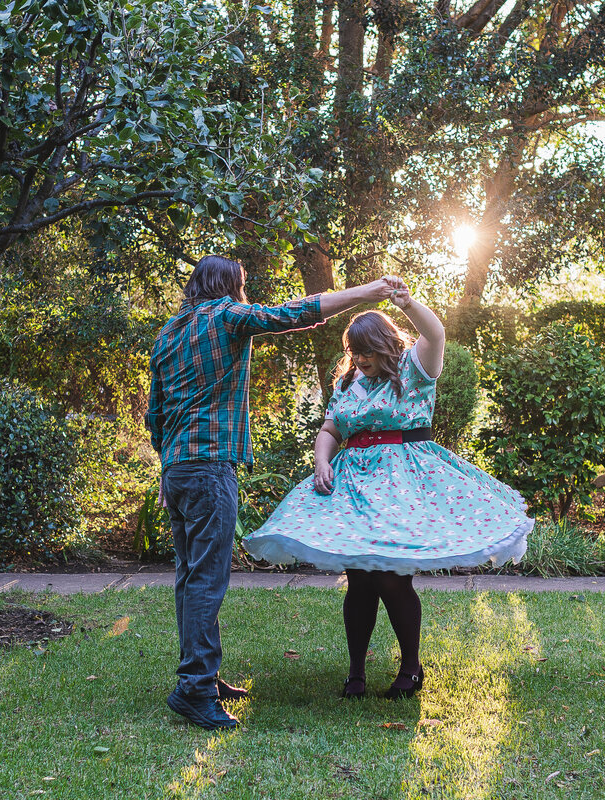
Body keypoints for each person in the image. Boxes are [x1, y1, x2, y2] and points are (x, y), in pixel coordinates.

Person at [145, 254, 400, 730]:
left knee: (189, 577)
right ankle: (195, 688)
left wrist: (167, 468)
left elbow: (155, 414)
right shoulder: (226, 315)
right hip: (210, 467)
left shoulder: (168, 333)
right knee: (206, 580)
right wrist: (368, 292)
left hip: (179, 470)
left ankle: (203, 675)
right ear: (229, 286)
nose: (244, 292)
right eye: (242, 284)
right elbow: (295, 312)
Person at [243, 282, 532, 699]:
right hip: (354, 486)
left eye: (368, 351)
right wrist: (322, 461)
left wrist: (408, 303)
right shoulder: (348, 382)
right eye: (355, 352)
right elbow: (331, 429)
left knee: (393, 580)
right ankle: (356, 672)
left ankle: (411, 667)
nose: (361, 359)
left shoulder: (415, 367)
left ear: (385, 344)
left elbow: (436, 333)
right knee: (359, 579)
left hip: (403, 483)